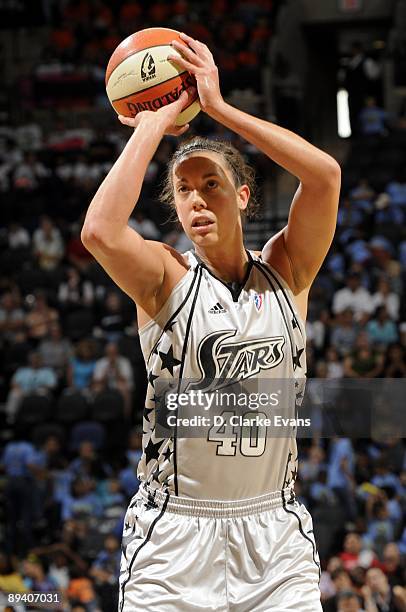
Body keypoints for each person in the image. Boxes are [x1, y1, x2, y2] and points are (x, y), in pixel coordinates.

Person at [82, 32, 341, 611]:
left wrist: (220, 109)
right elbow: (98, 231)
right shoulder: (164, 278)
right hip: (174, 537)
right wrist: (153, 120)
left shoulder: (288, 270)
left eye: (211, 185)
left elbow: (324, 176)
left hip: (273, 536)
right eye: (183, 191)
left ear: (244, 196)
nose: (197, 199)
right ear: (172, 208)